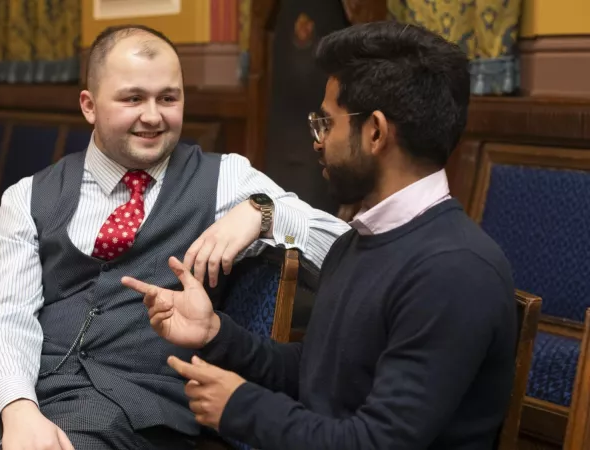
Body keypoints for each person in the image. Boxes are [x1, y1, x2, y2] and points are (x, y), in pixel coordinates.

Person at [0, 24, 349, 450]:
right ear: (89, 104)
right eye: (133, 99)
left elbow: (349, 256)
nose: (153, 116)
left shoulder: (225, 178)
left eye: (169, 98)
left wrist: (263, 212)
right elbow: (2, 321)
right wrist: (16, 409)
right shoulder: (28, 196)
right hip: (21, 388)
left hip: (137, 411)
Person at [124, 21, 518, 450]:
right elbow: (318, 372)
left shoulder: (454, 271)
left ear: (375, 132)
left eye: (325, 124)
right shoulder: (357, 241)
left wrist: (240, 406)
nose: (317, 142)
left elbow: (376, 442)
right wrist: (216, 333)